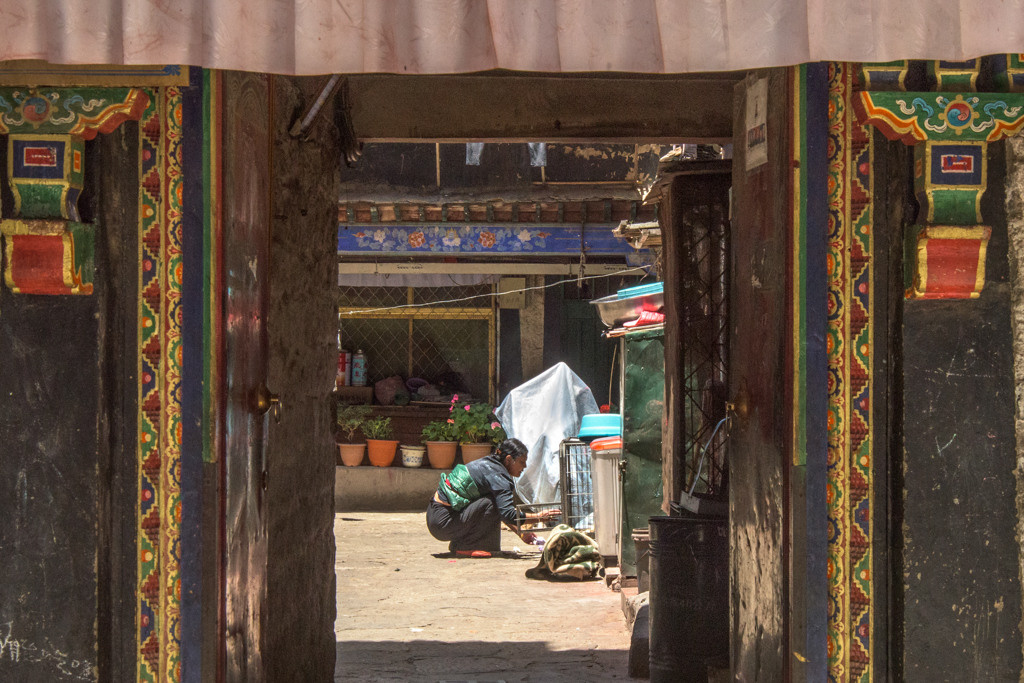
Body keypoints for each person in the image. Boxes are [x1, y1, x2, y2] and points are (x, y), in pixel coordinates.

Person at [426, 437, 561, 557]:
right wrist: (538, 517)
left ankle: (463, 544)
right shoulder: (499, 477)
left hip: (435, 518)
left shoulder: (488, 465)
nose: (524, 466)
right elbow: (507, 514)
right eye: (521, 462)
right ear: (509, 459)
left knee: (493, 501)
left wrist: (521, 532)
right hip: (443, 523)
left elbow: (503, 511)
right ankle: (467, 547)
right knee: (490, 503)